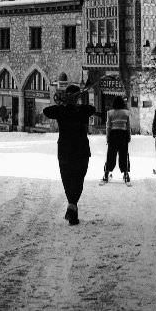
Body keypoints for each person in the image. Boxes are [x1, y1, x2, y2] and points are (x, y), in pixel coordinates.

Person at [43, 85, 101, 225]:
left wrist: (63, 103)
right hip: (81, 150)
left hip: (64, 150)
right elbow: (91, 109)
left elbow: (47, 111)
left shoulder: (61, 111)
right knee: (78, 179)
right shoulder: (82, 110)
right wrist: (72, 103)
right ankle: (72, 207)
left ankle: (72, 207)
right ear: (78, 97)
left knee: (67, 179)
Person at [103, 96, 131, 183]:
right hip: (123, 134)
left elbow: (108, 126)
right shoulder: (127, 113)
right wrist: (129, 136)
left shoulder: (110, 113)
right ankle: (126, 174)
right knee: (124, 154)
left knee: (111, 154)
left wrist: (107, 137)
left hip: (113, 135)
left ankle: (106, 174)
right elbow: (128, 126)